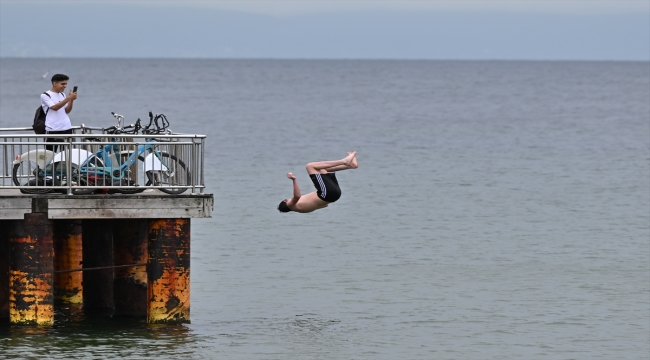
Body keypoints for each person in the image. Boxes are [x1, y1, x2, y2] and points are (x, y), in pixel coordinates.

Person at [278, 151, 358, 213]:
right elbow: (297, 196)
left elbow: (325, 205)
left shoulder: (303, 210)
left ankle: (350, 165)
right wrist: (294, 179)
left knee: (321, 169)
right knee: (310, 166)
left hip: (335, 196)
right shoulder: (291, 204)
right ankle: (344, 161)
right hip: (327, 194)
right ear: (285, 201)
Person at [42, 74, 77, 152]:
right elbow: (55, 107)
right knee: (50, 155)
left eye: (66, 84)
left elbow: (67, 111)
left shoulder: (62, 94)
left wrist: (71, 100)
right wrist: (68, 98)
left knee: (67, 155)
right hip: (53, 129)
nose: (65, 86)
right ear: (55, 84)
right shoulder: (45, 95)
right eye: (62, 84)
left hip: (66, 127)